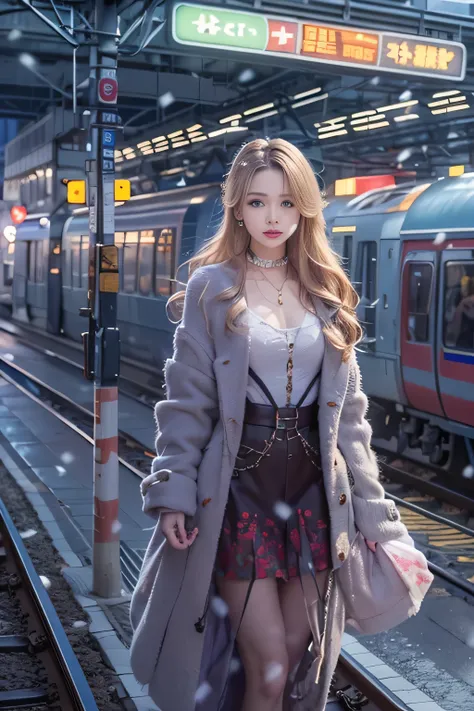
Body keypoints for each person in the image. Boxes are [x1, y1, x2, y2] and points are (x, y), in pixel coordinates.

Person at [129, 138, 407, 711]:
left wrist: (378, 519)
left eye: (286, 203)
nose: (272, 218)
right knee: (270, 665)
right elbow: (188, 404)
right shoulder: (212, 289)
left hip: (315, 501)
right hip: (238, 497)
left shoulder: (326, 291)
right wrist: (174, 490)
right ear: (237, 207)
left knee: (299, 663)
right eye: (257, 202)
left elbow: (350, 425)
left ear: (305, 206)